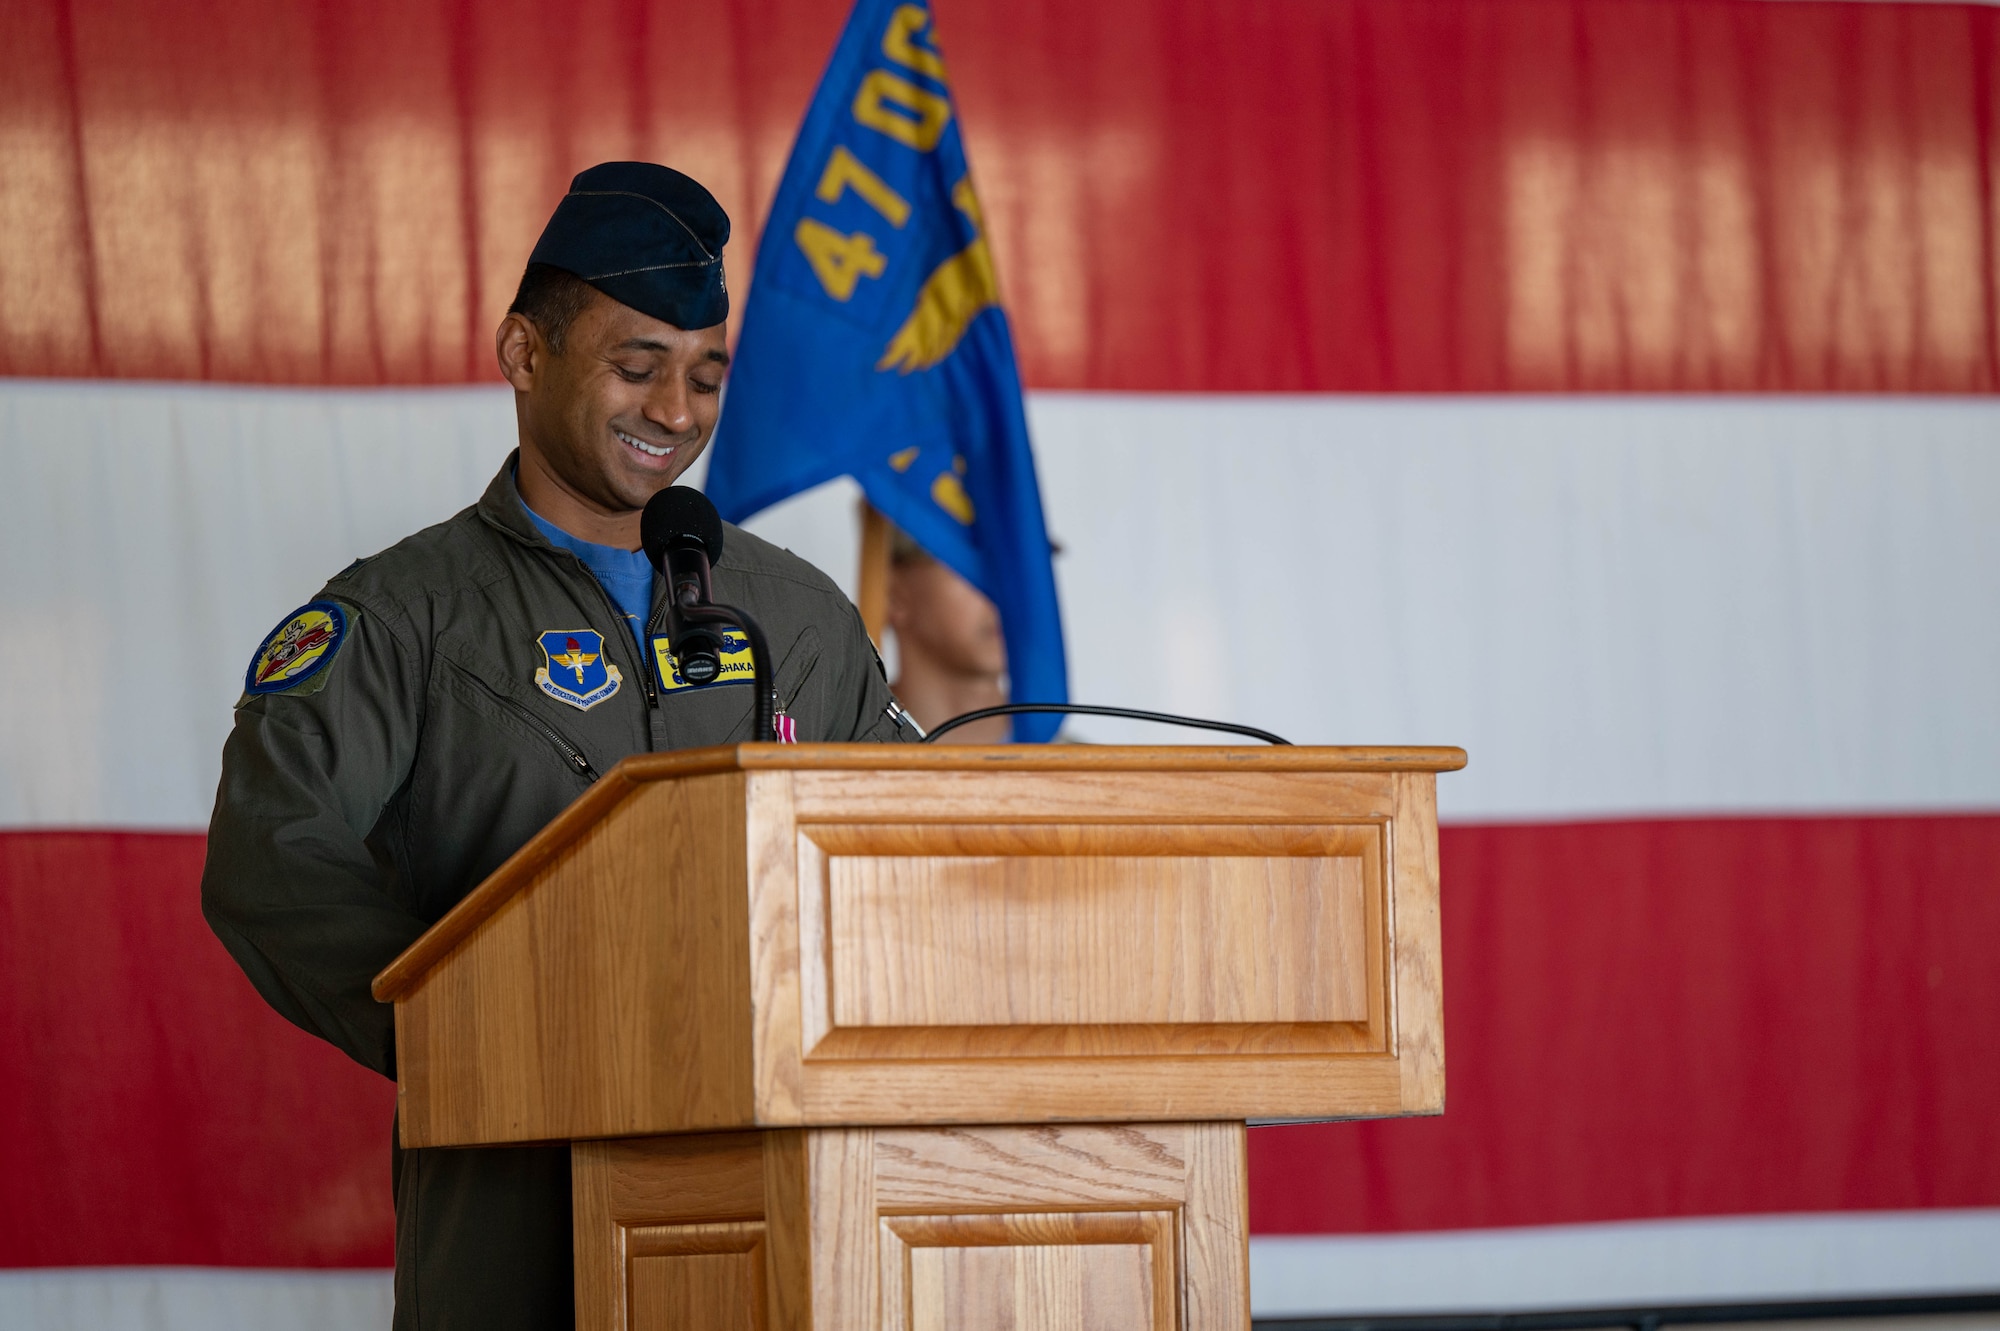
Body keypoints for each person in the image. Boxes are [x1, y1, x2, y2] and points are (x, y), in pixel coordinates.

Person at [201, 162, 916, 1331]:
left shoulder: (792, 613)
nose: (674, 412)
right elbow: (271, 862)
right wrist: (484, 1032)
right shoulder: (403, 616)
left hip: (786, 1213)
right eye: (635, 367)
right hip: (513, 1219)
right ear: (523, 353)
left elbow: (902, 852)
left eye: (704, 376)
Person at [883, 523, 1013, 743]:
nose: (1007, 593)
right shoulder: (826, 768)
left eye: (1021, 574)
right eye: (972, 567)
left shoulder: (1085, 770)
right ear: (892, 596)